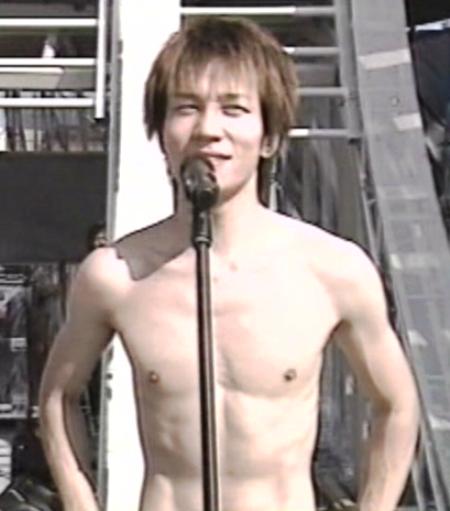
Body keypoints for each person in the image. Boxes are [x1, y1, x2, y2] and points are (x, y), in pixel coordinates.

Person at [39, 16, 420, 511]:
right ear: (162, 132)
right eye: (186, 108)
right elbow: (58, 397)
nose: (208, 130)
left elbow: (396, 404)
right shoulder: (115, 274)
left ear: (269, 137)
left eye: (234, 109)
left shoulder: (333, 269)